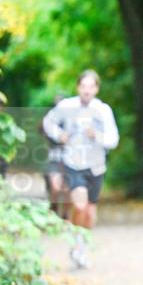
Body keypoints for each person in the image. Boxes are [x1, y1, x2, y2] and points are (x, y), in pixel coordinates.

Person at [42, 70, 119, 268]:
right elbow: (48, 122)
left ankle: (82, 245)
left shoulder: (103, 110)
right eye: (83, 86)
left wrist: (97, 136)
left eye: (90, 87)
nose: (86, 90)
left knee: (90, 213)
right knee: (79, 205)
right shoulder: (66, 106)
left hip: (95, 166)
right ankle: (75, 242)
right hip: (73, 163)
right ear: (78, 88)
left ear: (96, 89)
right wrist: (59, 135)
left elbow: (113, 140)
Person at [43, 93, 69, 218]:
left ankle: (65, 215)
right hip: (54, 158)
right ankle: (54, 210)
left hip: (70, 158)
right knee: (55, 187)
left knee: (68, 188)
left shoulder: (72, 120)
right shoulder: (50, 120)